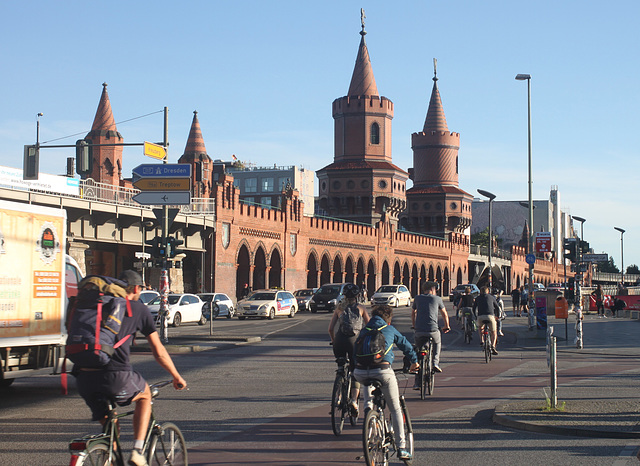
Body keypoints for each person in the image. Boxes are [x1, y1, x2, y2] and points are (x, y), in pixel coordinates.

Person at [73, 270, 187, 466]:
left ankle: (110, 457)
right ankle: (136, 451)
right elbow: (159, 352)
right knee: (145, 396)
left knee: (110, 424)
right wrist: (176, 376)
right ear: (136, 288)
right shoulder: (137, 309)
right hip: (116, 377)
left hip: (83, 377)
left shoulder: (93, 306)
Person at [353, 305, 419, 461]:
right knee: (395, 408)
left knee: (368, 395)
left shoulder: (364, 331)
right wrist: (414, 362)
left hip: (360, 372)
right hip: (383, 371)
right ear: (388, 319)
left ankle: (369, 419)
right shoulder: (390, 330)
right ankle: (402, 448)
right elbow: (407, 347)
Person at [328, 283, 370, 415]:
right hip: (354, 342)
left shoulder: (339, 308)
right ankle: (353, 400)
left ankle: (338, 397)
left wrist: (334, 340)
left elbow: (330, 329)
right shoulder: (361, 308)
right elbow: (369, 326)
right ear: (357, 296)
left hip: (339, 342)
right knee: (355, 370)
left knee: (341, 368)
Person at [412, 281, 450, 376]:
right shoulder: (437, 299)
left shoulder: (417, 298)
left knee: (417, 349)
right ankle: (435, 363)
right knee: (437, 342)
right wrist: (447, 326)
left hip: (419, 330)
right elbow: (444, 314)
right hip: (432, 330)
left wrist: (414, 325)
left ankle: (417, 376)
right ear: (432, 289)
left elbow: (413, 313)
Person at [473, 286, 500, 355]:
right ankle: (493, 346)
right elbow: (497, 307)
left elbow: (474, 308)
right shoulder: (491, 297)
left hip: (480, 316)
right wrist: (497, 316)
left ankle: (482, 340)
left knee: (480, 327)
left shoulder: (478, 298)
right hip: (490, 316)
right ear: (488, 291)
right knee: (494, 332)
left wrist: (476, 316)